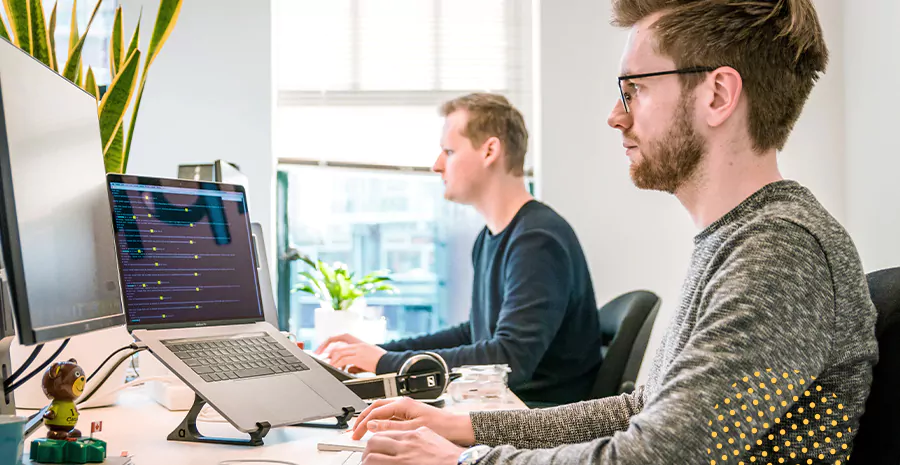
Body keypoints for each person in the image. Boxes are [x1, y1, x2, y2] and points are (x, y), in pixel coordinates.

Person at [347, 1, 879, 464]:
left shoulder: (779, 252)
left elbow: (655, 457)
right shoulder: (740, 239)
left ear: (717, 94)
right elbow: (641, 410)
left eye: (634, 90)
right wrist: (460, 427)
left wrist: (466, 460)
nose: (614, 116)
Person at [316, 93, 604, 406]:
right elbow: (475, 334)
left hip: (536, 419)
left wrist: (386, 363)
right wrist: (382, 352)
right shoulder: (492, 237)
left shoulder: (537, 241)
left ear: (490, 151)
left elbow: (509, 361)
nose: (436, 165)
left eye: (449, 151)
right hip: (504, 406)